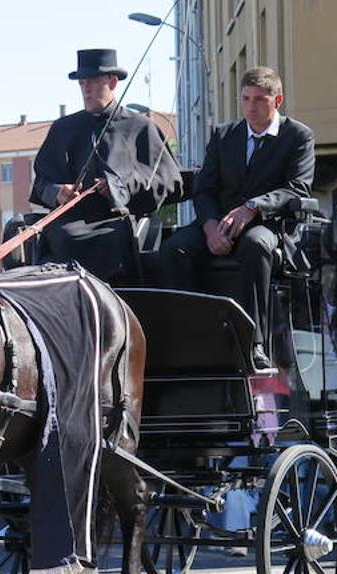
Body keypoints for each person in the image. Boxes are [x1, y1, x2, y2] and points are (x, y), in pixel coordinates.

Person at [158, 66, 315, 369]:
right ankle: (190, 337)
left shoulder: (298, 136)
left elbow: (297, 188)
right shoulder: (224, 135)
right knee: (173, 249)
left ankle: (253, 342)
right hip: (218, 222)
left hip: (268, 223)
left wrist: (253, 207)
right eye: (245, 99)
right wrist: (210, 228)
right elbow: (204, 190)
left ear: (277, 100)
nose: (251, 107)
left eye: (259, 100)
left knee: (256, 247)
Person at [30, 48, 183, 284]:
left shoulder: (140, 127)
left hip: (117, 219)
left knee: (111, 241)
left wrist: (121, 186)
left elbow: (169, 181)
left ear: (112, 82)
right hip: (71, 221)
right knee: (61, 238)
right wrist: (57, 192)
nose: (86, 88)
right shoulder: (63, 128)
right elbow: (42, 182)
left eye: (92, 81)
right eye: (82, 83)